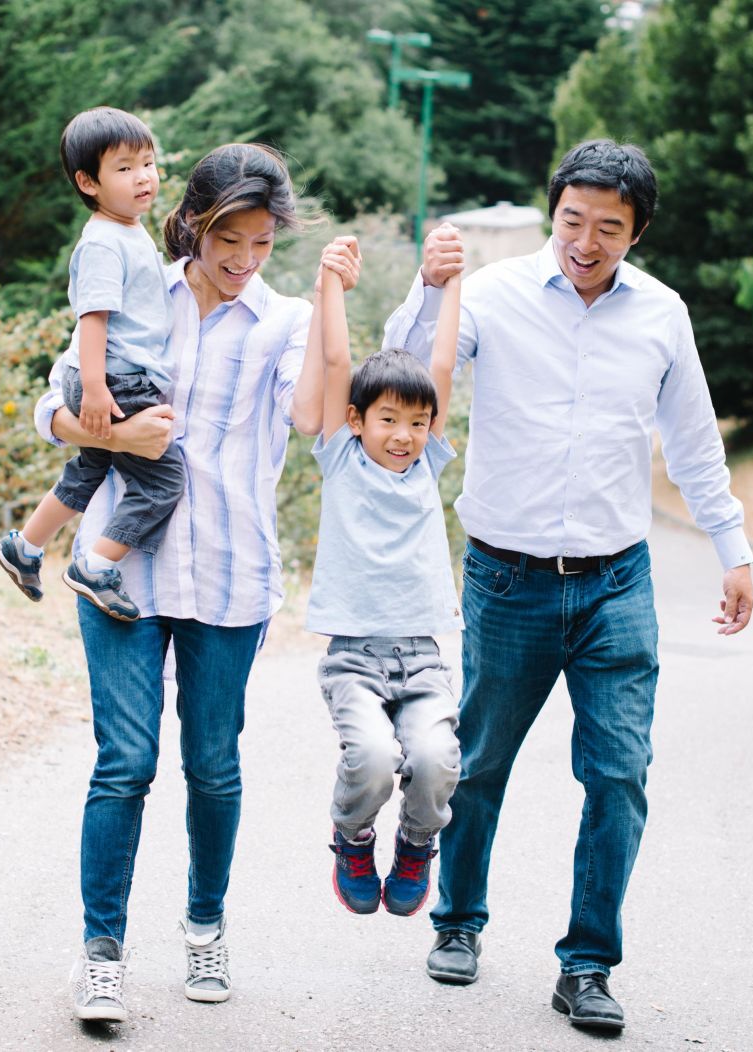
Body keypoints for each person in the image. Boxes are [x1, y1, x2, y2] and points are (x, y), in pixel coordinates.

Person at [382, 141, 753, 1035]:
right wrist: (429, 289)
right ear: (553, 214)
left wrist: (732, 548)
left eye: (609, 228)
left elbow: (694, 443)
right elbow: (399, 381)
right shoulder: (496, 294)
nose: (585, 241)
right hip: (506, 577)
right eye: (572, 221)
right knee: (478, 765)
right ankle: (458, 923)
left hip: (616, 583)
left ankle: (588, 963)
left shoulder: (663, 314)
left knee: (620, 775)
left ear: (637, 232)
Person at [33, 143, 360, 1023]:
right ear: (194, 220)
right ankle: (101, 953)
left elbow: (312, 416)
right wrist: (107, 431)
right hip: (123, 568)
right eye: (229, 238)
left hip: (227, 575)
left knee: (212, 766)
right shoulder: (137, 284)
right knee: (125, 764)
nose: (244, 258)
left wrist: (330, 299)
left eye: (261, 243)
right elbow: (52, 404)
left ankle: (205, 926)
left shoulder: (284, 320)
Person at [293, 241, 463, 918]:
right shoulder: (341, 459)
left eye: (417, 423)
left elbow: (443, 363)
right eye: (388, 420)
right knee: (369, 755)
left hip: (422, 659)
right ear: (358, 421)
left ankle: (417, 844)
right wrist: (329, 279)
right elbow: (337, 361)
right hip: (356, 660)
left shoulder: (426, 465)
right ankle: (353, 835)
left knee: (434, 758)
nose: (404, 435)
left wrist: (454, 285)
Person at [0, 106, 182, 621]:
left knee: (90, 466)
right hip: (114, 377)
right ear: (88, 182)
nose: (143, 176)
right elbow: (93, 319)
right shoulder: (102, 242)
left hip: (106, 374)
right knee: (164, 481)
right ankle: (95, 565)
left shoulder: (125, 229)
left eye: (147, 162)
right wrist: (98, 389)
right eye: (124, 167)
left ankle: (24, 547)